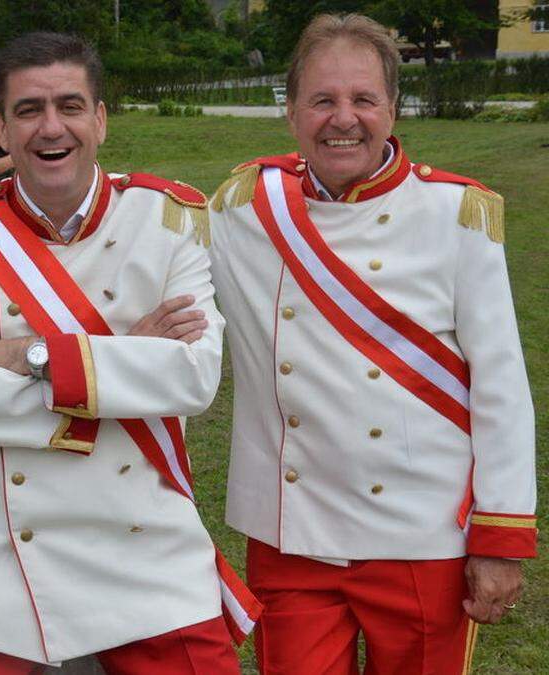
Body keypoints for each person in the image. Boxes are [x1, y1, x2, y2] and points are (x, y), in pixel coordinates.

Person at [0, 32, 258, 674]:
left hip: (142, 545)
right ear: (3, 130)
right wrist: (125, 356)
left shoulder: (168, 220)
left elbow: (193, 377)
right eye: (29, 110)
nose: (51, 127)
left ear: (99, 119)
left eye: (70, 106)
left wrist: (27, 355)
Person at [207, 14, 536, 674]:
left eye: (363, 100)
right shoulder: (241, 210)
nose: (343, 119)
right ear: (291, 110)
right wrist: (12, 150)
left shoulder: (457, 215)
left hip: (423, 536)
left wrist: (499, 535)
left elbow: (501, 387)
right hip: (293, 534)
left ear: (393, 107)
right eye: (323, 100)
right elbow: (124, 226)